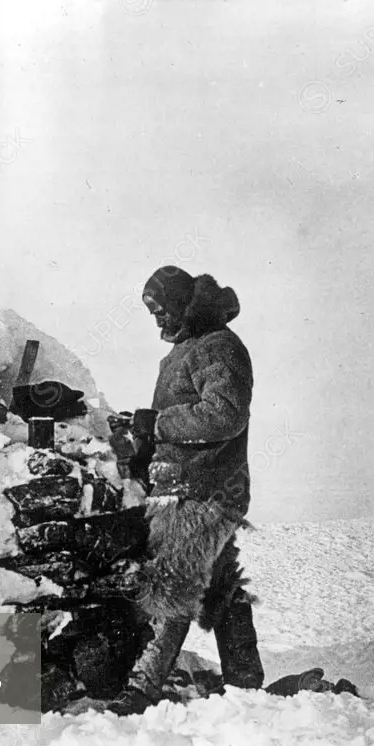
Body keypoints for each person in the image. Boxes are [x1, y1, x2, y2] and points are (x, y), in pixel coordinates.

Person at [106, 265, 265, 715]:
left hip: (201, 492)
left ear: (183, 305)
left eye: (161, 309)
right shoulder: (187, 351)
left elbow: (225, 413)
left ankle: (140, 691)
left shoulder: (219, 347)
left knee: (171, 583)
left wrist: (156, 423)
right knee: (218, 587)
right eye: (151, 312)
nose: (157, 319)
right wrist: (140, 437)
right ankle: (246, 685)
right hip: (192, 487)